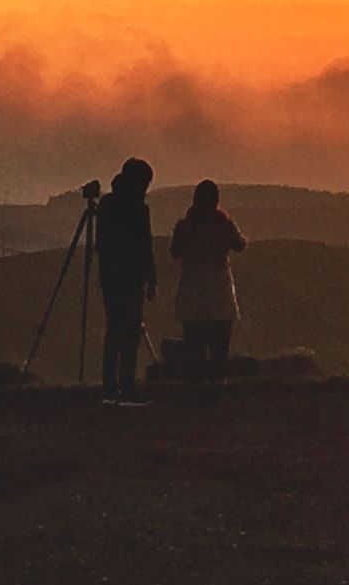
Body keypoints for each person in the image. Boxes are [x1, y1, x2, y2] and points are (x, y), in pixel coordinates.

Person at [170, 179, 249, 397]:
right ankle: (216, 386)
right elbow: (240, 245)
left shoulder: (185, 226)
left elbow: (175, 252)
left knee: (194, 341)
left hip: (193, 288)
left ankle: (196, 386)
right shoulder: (224, 224)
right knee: (220, 342)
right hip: (219, 289)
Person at [97, 158, 158, 403]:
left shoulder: (107, 204)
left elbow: (101, 245)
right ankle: (127, 386)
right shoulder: (139, 209)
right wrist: (151, 279)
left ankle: (110, 387)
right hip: (131, 277)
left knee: (114, 329)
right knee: (130, 332)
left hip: (110, 276)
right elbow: (146, 246)